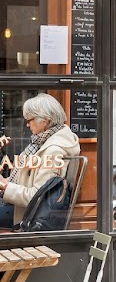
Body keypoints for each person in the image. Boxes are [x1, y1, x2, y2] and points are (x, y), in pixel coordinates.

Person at [0, 94, 80, 228]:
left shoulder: (53, 150)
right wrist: (5, 182)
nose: (27, 124)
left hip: (27, 216)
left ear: (45, 121)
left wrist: (5, 187)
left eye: (29, 120)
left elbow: (37, 197)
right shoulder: (43, 143)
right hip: (22, 210)